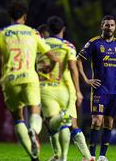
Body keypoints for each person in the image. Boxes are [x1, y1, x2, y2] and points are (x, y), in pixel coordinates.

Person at [0, 0, 59, 161]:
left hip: (10, 79)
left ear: (10, 16)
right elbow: (53, 57)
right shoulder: (34, 33)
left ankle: (33, 156)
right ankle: (33, 131)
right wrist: (49, 68)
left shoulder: (1, 33)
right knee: (35, 111)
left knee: (18, 118)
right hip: (29, 77)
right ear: (25, 17)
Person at [77, 15, 116, 161]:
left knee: (109, 122)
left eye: (112, 25)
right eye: (106, 25)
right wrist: (86, 79)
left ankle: (102, 155)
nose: (109, 27)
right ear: (101, 26)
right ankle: (90, 155)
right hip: (99, 90)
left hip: (115, 91)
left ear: (115, 27)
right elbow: (78, 60)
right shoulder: (94, 43)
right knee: (97, 121)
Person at [37, 16, 93, 161]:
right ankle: (87, 157)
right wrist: (78, 91)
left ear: (48, 30)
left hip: (48, 89)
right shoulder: (68, 46)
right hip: (67, 90)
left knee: (54, 124)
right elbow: (73, 68)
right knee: (71, 124)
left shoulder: (40, 46)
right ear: (63, 29)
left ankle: (59, 156)